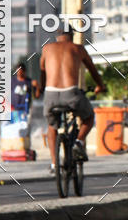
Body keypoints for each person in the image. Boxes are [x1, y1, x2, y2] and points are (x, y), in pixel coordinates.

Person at [40, 28, 105, 170]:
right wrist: (100, 86)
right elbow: (93, 70)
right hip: (71, 94)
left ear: (57, 36)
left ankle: (54, 163)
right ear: (71, 36)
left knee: (52, 127)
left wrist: (41, 89)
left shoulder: (47, 49)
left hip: (50, 94)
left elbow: (42, 72)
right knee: (88, 117)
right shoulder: (78, 48)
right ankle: (79, 142)